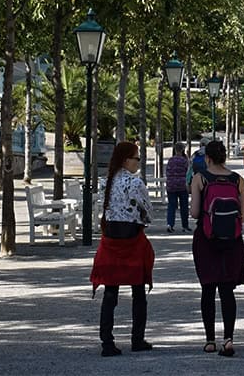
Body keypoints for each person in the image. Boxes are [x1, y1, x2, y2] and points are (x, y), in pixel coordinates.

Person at [89, 141, 155, 356]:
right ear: (127, 159)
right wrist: (143, 218)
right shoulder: (134, 183)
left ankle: (106, 341)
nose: (138, 162)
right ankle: (137, 338)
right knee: (138, 291)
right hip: (132, 239)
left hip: (111, 240)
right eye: (137, 158)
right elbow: (148, 211)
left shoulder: (107, 182)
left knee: (110, 293)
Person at [190, 139, 244, 357]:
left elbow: (195, 213)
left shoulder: (200, 178)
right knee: (226, 291)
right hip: (232, 240)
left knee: (207, 289)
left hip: (206, 239)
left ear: (208, 158)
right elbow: (243, 214)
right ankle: (229, 339)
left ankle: (210, 340)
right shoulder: (237, 180)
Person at [165, 143, 191, 233]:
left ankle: (170, 224)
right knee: (184, 206)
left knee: (171, 205)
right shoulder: (184, 160)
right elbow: (188, 172)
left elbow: (167, 172)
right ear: (183, 149)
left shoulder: (171, 160)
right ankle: (185, 225)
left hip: (171, 185)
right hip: (182, 185)